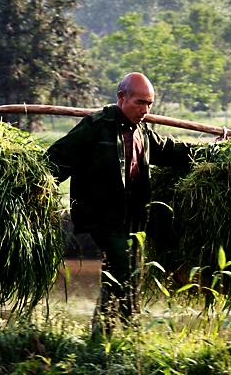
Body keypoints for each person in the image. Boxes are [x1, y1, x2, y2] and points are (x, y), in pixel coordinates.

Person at [46, 72, 195, 338]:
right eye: (140, 102)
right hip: (103, 218)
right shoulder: (96, 127)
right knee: (125, 275)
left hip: (134, 220)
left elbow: (172, 150)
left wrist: (213, 150)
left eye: (149, 104)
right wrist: (36, 186)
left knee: (124, 278)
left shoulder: (143, 132)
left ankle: (103, 339)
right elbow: (58, 158)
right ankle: (128, 334)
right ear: (121, 98)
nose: (145, 110)